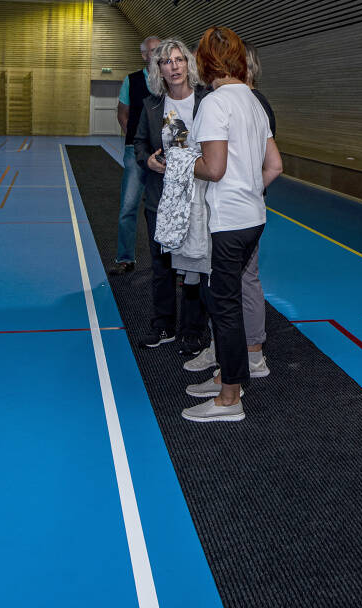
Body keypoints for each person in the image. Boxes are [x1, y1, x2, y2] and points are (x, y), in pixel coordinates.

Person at [182, 26, 282, 423]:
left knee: (223, 306)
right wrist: (250, 190)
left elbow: (214, 168)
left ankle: (229, 399)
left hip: (229, 221)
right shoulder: (254, 102)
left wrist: (182, 162)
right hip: (254, 217)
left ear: (205, 63)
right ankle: (228, 376)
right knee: (230, 300)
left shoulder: (215, 103)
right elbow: (274, 165)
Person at [133, 39, 210, 348]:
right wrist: (148, 161)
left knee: (195, 265)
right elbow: (139, 142)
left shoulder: (206, 101)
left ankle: (193, 330)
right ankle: (163, 326)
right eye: (166, 62)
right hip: (161, 196)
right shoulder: (152, 105)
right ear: (159, 69)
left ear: (188, 64)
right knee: (161, 264)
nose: (174, 66)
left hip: (199, 196)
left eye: (179, 59)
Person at [108, 35, 160, 276]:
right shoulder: (132, 80)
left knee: (163, 209)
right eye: (153, 50)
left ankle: (167, 262)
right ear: (144, 55)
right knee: (129, 206)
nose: (157, 54)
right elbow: (122, 113)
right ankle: (125, 258)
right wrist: (134, 138)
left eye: (160, 49)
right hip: (135, 152)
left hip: (162, 154)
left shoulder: (169, 80)